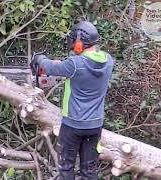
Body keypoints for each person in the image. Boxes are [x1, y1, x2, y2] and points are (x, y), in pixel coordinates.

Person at [31, 21, 115, 180]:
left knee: (66, 169)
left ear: (79, 42)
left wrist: (39, 58)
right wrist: (62, 64)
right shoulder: (108, 60)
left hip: (72, 126)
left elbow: (50, 68)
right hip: (95, 126)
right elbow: (79, 66)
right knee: (89, 171)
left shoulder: (74, 64)